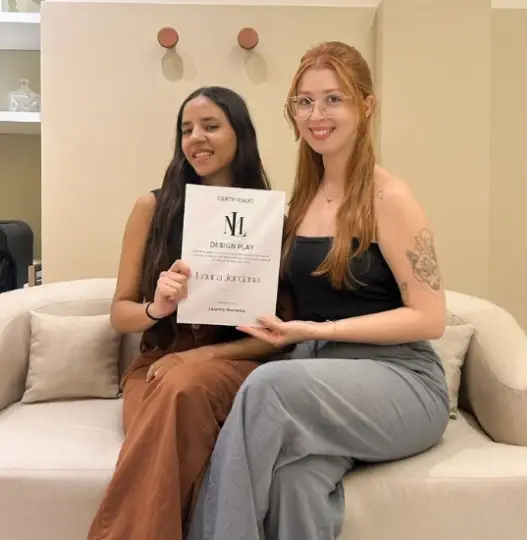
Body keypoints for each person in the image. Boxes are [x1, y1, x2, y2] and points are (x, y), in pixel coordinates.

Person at [186, 41, 451, 540]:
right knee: (293, 482)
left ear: (366, 106)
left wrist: (317, 330)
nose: (316, 115)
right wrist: (194, 280)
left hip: (401, 381)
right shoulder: (303, 199)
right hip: (322, 377)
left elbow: (430, 318)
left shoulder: (389, 197)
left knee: (265, 388)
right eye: (304, 102)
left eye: (333, 99)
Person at [87, 86, 293, 540]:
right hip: (156, 366)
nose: (195, 138)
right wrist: (155, 308)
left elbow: (276, 336)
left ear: (240, 135)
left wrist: (199, 357)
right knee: (172, 419)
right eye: (186, 129)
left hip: (233, 362)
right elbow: (120, 314)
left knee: (184, 388)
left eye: (210, 126)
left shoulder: (269, 219)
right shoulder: (152, 208)